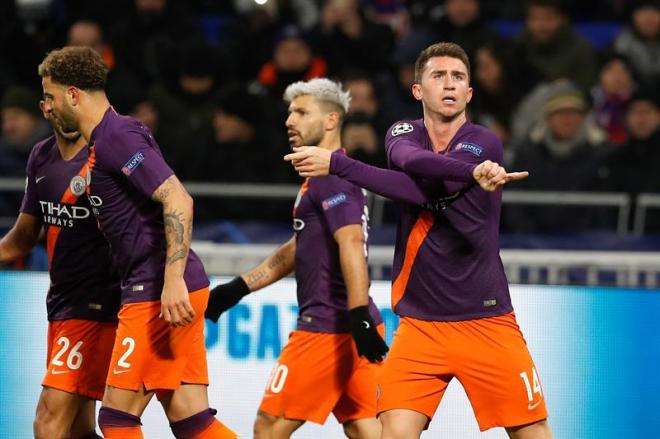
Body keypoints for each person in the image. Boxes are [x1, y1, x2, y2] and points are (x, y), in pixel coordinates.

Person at [284, 42, 552, 438]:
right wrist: (473, 174)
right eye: (438, 76)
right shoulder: (402, 132)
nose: (449, 84)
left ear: (469, 93)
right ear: (418, 90)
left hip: (486, 321)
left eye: (458, 77)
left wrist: (339, 164)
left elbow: (433, 185)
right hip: (419, 327)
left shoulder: (484, 142)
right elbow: (412, 170)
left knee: (533, 433)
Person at [38, 46, 237, 439]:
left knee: (115, 419)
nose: (47, 106)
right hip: (168, 286)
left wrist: (172, 279)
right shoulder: (110, 137)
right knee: (192, 422)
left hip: (155, 291)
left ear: (74, 94)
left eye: (52, 95)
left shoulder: (116, 137)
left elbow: (178, 198)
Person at [205, 78, 388, 439]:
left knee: (269, 425)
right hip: (353, 324)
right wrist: (238, 288)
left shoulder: (328, 176)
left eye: (302, 112)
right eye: (290, 113)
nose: (290, 121)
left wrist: (356, 317)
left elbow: (350, 241)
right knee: (365, 428)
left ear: (333, 120)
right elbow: (300, 246)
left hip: (328, 326)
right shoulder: (327, 176)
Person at [0, 101, 120, 438]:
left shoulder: (108, 155)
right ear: (45, 107)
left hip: (98, 303)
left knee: (48, 419)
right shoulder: (41, 155)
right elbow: (22, 238)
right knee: (78, 428)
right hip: (62, 303)